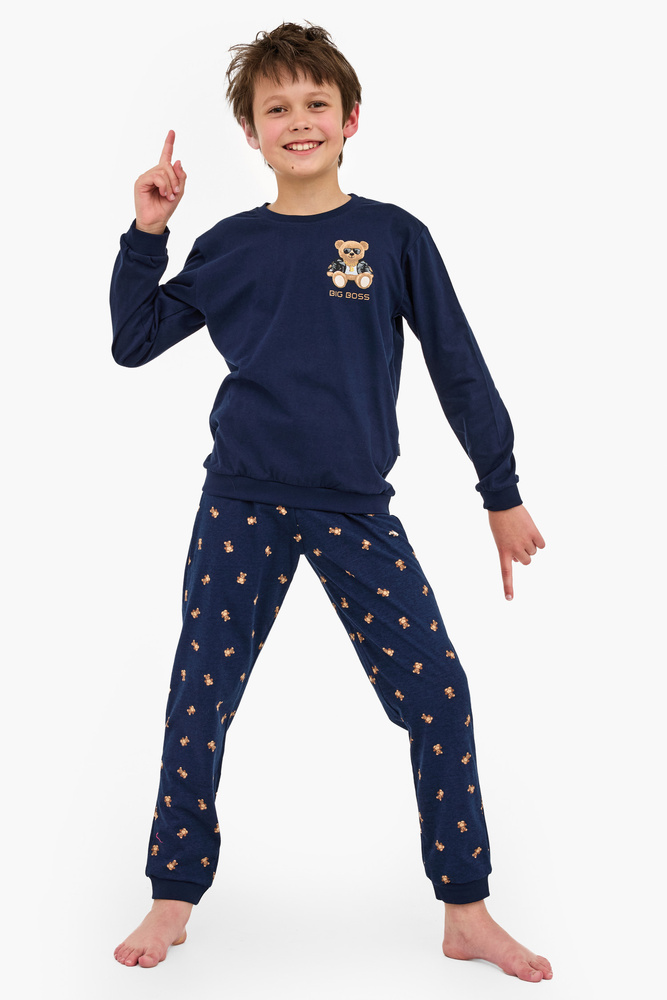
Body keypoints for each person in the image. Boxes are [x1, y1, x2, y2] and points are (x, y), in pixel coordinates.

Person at [110, 22, 551, 982]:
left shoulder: (392, 237)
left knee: (439, 696)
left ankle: (465, 910)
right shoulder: (230, 245)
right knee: (200, 694)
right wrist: (148, 234)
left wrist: (500, 491)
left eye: (316, 104)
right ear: (250, 131)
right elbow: (133, 341)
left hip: (353, 507)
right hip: (240, 500)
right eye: (277, 108)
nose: (298, 120)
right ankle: (173, 894)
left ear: (351, 119)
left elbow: (457, 366)